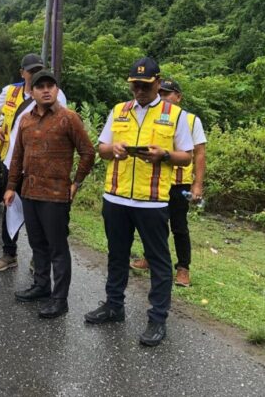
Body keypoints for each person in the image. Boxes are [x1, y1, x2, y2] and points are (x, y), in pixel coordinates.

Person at [84, 57, 193, 347]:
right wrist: (114, 149)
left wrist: (164, 155)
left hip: (152, 201)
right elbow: (102, 148)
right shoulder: (119, 110)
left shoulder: (175, 114)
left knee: (158, 261)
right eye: (135, 85)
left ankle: (157, 319)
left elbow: (187, 156)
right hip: (116, 196)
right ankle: (113, 306)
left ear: (158, 82)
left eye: (145, 85)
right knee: (116, 255)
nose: (140, 91)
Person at [4, 70, 95, 318]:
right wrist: (11, 186)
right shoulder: (25, 120)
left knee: (57, 248)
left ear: (56, 90)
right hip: (29, 192)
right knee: (37, 244)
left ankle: (59, 299)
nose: (46, 90)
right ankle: (41, 286)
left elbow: (88, 152)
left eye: (50, 86)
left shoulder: (69, 118)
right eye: (40, 86)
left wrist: (76, 183)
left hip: (56, 195)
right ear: (32, 92)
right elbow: (17, 156)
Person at [0, 53, 68, 272]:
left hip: (41, 164)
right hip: (12, 160)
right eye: (31, 71)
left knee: (40, 211)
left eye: (38, 70)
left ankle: (38, 257)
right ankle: (9, 253)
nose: (34, 74)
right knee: (10, 205)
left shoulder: (55, 94)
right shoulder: (10, 91)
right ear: (22, 73)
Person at [130, 78, 207, 288]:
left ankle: (183, 268)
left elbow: (199, 153)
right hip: (155, 181)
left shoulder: (191, 120)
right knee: (154, 224)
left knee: (179, 226)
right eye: (160, 94)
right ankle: (150, 258)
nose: (163, 98)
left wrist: (197, 185)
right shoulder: (152, 116)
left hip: (179, 184)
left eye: (167, 94)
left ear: (178, 97)